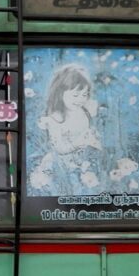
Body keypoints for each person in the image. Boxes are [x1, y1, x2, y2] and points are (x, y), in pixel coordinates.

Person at [30, 64, 102, 193]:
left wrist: (93, 138)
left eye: (84, 94)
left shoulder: (84, 111)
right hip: (62, 163)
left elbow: (89, 130)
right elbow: (59, 148)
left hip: (84, 160)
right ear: (60, 93)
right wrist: (77, 144)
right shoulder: (55, 118)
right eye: (75, 95)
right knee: (68, 189)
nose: (80, 99)